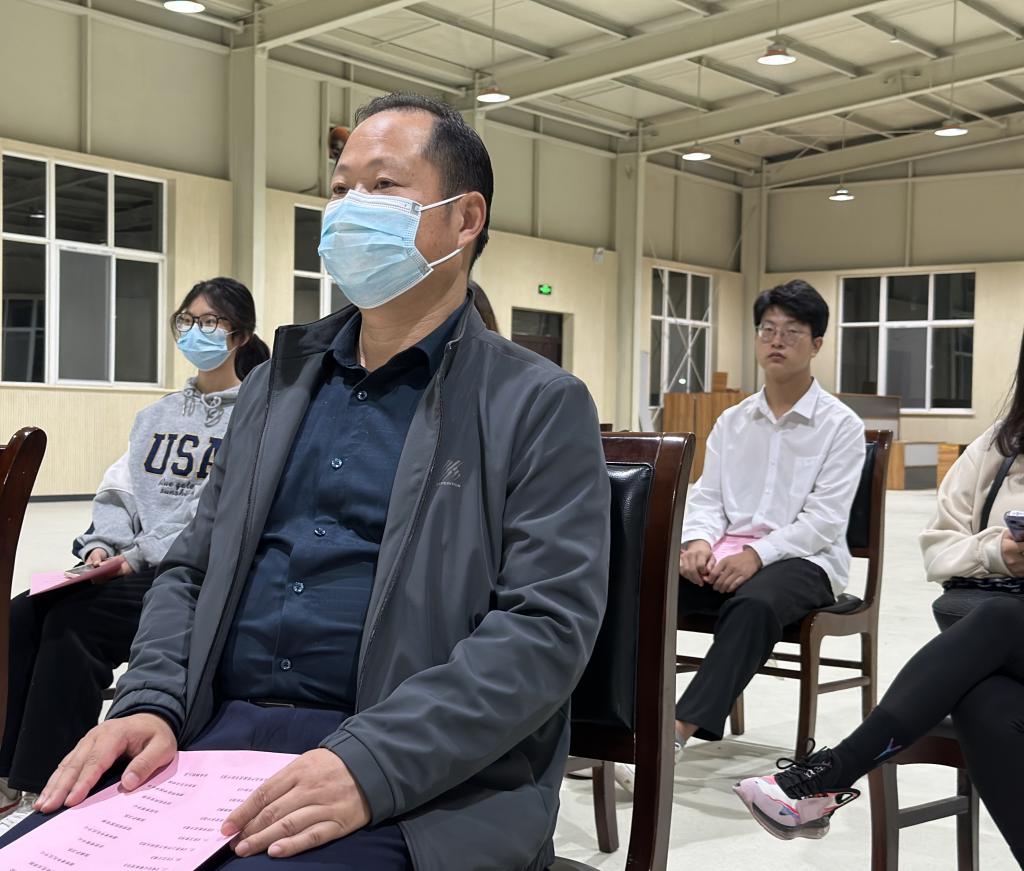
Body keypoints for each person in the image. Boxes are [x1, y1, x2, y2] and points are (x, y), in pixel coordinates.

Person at [6, 93, 610, 871]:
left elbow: (544, 629)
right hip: (213, 737)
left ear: (465, 220)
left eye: (383, 186)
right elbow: (190, 569)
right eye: (340, 188)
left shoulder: (535, 403)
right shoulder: (276, 385)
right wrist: (151, 698)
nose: (350, 209)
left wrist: (371, 762)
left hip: (417, 774)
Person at [734, 328, 1024, 865]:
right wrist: (998, 552)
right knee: (984, 702)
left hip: (1001, 626)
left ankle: (831, 775)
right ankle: (822, 783)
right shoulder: (998, 447)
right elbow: (939, 554)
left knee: (1002, 619)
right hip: (1000, 648)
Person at [0, 277, 269, 831]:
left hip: (184, 570)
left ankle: (48, 778)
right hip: (125, 564)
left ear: (240, 335)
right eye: (187, 320)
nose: (196, 332)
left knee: (75, 622)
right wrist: (102, 544)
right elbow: (118, 490)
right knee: (23, 613)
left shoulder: (254, 415)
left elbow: (210, 510)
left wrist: (137, 556)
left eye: (211, 322)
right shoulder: (155, 415)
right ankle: (7, 771)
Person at [618, 280, 865, 792]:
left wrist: (757, 554)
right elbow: (708, 497)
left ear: (817, 344)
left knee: (754, 604)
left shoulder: (840, 426)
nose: (776, 341)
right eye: (767, 330)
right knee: (638, 586)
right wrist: (698, 543)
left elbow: (824, 520)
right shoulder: (733, 421)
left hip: (808, 561)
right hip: (728, 556)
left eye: (791, 332)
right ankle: (616, 723)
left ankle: (672, 734)